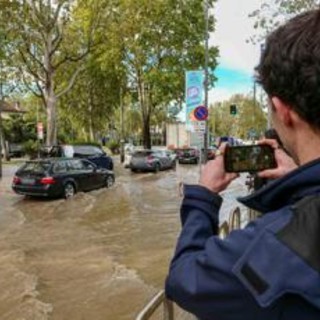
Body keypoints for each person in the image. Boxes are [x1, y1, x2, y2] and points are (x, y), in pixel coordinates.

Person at [165, 9, 320, 320]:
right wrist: (298, 183)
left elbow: (185, 278)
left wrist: (203, 196)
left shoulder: (277, 244)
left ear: (282, 110)